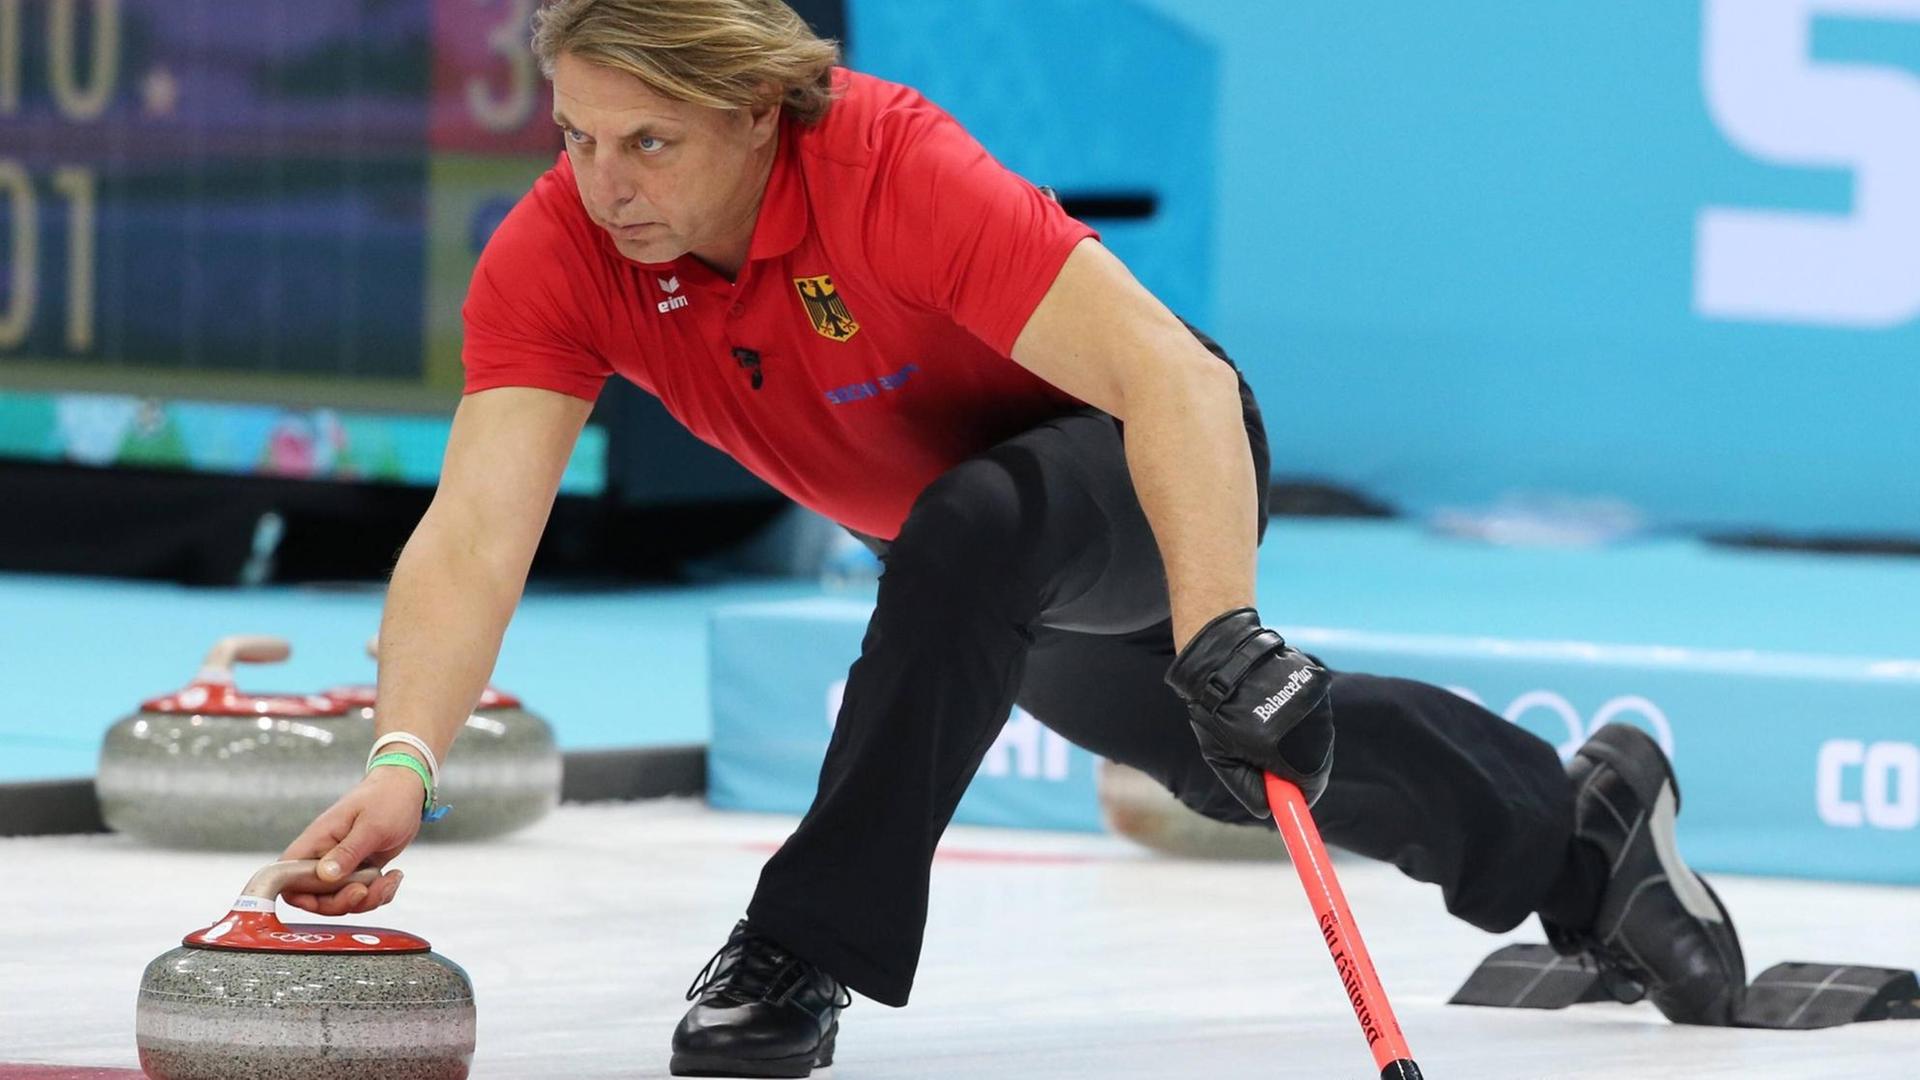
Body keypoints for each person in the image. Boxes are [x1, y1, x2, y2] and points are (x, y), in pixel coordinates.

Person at [280, 1, 1748, 1075]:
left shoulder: (879, 162)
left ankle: (798, 949)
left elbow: (1171, 378)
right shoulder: (563, 253)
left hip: (1151, 463)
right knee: (1233, 757)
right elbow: (474, 532)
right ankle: (1579, 828)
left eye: (647, 142)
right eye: (578, 137)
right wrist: (407, 761)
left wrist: (1223, 628)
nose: (605, 185)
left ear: (752, 110)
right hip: (973, 569)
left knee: (991, 536)